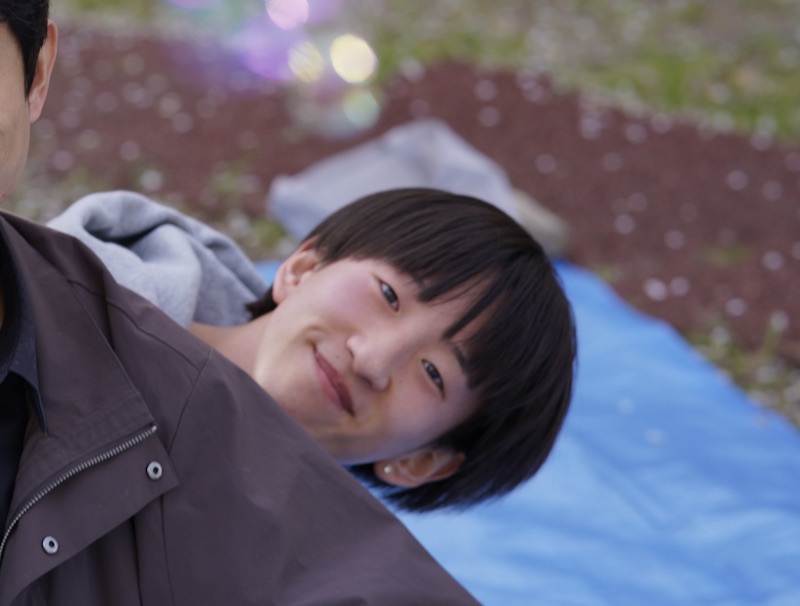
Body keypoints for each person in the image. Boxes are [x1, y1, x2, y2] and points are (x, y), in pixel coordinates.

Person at [0, 3, 483, 603]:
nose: (373, 356)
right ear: (302, 265)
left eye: (434, 374)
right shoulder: (89, 323)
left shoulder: (325, 557)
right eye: (387, 295)